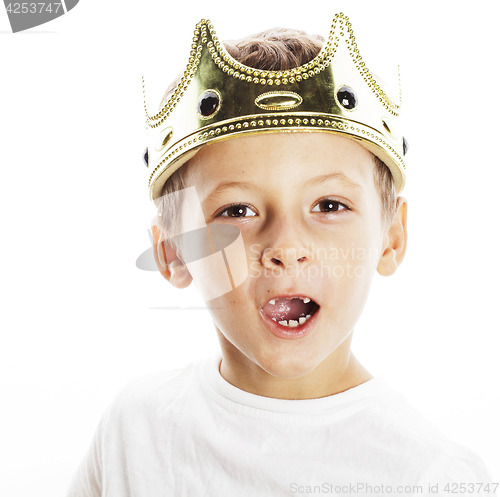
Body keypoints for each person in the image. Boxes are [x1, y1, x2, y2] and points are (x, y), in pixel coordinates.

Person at [67, 13, 496, 496]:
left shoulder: (432, 478)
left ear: (392, 237)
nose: (286, 248)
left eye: (329, 205)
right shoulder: (133, 431)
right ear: (173, 251)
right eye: (238, 209)